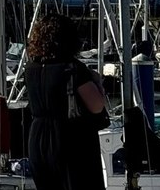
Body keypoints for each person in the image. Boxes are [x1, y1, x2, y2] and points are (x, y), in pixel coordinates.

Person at [27, 12, 106, 190]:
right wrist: (98, 83)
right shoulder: (72, 68)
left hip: (38, 136)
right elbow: (96, 106)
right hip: (69, 136)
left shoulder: (31, 69)